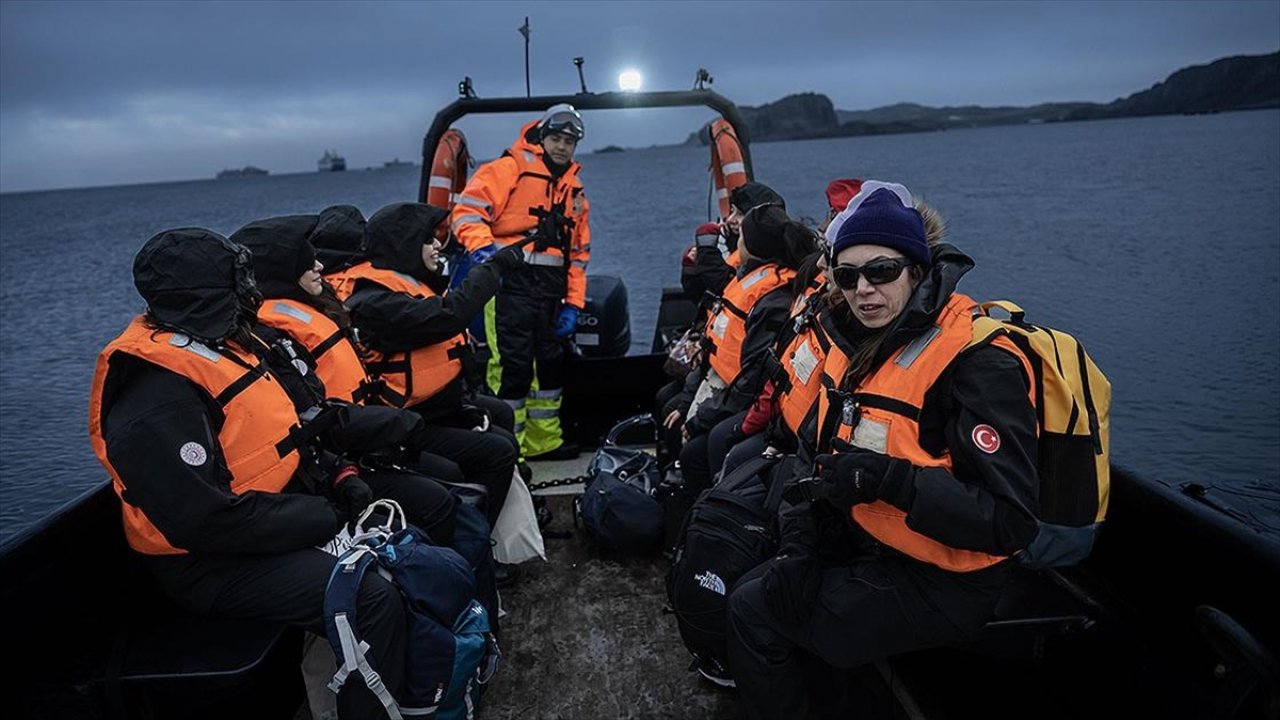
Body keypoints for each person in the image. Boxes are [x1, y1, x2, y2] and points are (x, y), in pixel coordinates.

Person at [725, 184, 1041, 719]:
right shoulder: (864, 342)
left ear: (915, 270)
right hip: (873, 541)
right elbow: (816, 456)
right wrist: (801, 547)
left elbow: (1010, 521)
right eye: (847, 277)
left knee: (751, 613)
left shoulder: (977, 364)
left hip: (947, 579)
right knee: (757, 567)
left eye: (882, 271)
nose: (864, 290)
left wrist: (891, 481)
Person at [89, 228, 420, 720]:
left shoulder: (220, 345)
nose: (251, 289)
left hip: (260, 523)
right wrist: (323, 517)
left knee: (406, 546)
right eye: (237, 279)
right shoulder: (156, 395)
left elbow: (290, 432)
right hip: (206, 563)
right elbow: (201, 520)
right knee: (370, 596)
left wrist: (339, 478)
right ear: (205, 293)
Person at [331, 202, 523, 525]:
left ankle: (489, 531)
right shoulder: (374, 303)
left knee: (501, 415)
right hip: (407, 422)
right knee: (497, 452)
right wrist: (493, 268)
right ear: (405, 244)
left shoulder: (407, 284)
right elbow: (447, 317)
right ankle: (476, 539)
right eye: (428, 240)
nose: (437, 246)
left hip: (436, 407)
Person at [450, 103, 591, 460]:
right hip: (508, 285)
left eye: (569, 142)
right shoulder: (508, 169)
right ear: (541, 138)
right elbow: (466, 213)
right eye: (556, 138)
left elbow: (578, 256)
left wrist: (574, 304)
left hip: (551, 293)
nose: (562, 147)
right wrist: (485, 253)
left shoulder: (575, 194)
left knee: (549, 367)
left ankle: (545, 443)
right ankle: (510, 450)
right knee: (511, 366)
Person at [667, 204, 819, 493]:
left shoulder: (774, 297)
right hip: (727, 388)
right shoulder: (750, 281)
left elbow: (753, 377)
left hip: (747, 400)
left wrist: (701, 419)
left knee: (703, 446)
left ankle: (710, 513)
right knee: (672, 410)